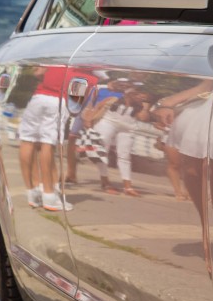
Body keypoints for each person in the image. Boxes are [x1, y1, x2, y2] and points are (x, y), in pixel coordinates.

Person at [18, 65, 88, 212]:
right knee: (48, 144)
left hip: (38, 98)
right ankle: (49, 195)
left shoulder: (54, 60)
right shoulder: (85, 70)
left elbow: (37, 71)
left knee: (27, 140)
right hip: (57, 101)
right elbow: (75, 104)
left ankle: (32, 193)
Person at [86, 85, 153, 196]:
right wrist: (89, 120)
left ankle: (128, 187)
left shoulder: (140, 105)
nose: (140, 97)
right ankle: (105, 182)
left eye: (143, 96)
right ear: (129, 93)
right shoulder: (114, 99)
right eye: (138, 94)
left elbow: (143, 118)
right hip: (108, 122)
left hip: (128, 128)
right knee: (102, 152)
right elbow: (99, 106)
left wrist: (144, 106)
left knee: (125, 155)